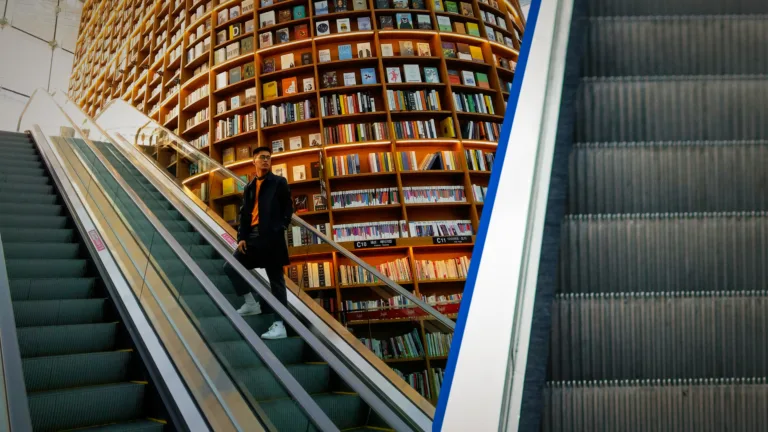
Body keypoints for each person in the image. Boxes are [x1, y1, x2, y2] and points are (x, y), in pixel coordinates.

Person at [224, 146, 293, 340]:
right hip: (252, 238)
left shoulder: (279, 182)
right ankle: (251, 304)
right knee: (230, 267)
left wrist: (280, 228)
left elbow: (288, 207)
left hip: (271, 237)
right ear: (253, 160)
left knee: (276, 281)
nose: (266, 160)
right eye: (262, 157)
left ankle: (280, 325)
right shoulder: (249, 187)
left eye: (269, 158)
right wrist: (241, 237)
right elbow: (245, 214)